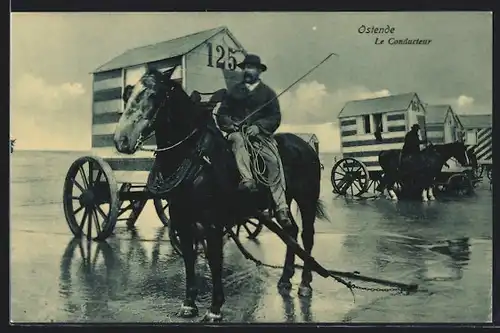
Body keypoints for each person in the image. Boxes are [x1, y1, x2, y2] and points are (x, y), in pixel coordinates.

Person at [216, 54, 291, 228]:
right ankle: (247, 180)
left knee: (274, 161)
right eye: (245, 68)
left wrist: (259, 127)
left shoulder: (268, 93)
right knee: (237, 142)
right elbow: (222, 114)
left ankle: (281, 207)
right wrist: (230, 124)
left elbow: (275, 117)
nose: (247, 71)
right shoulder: (233, 91)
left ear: (258, 71)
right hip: (238, 134)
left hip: (260, 136)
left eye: (251, 68)